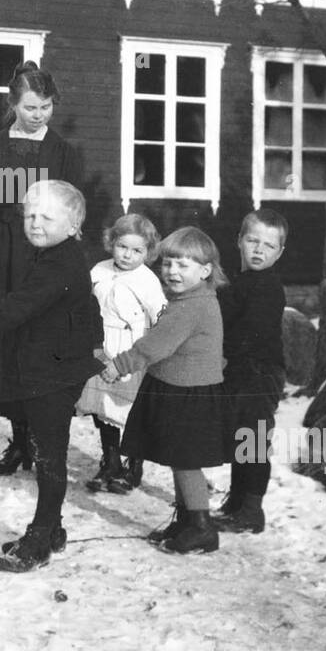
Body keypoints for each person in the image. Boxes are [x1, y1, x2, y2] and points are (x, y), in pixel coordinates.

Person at [0, 180, 103, 573]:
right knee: (44, 450)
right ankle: (52, 529)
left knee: (49, 455)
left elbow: (24, 303)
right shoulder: (52, 254)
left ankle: (40, 537)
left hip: (55, 372)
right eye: (30, 214)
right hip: (49, 366)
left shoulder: (61, 263)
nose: (35, 223)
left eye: (46, 216)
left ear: (72, 225)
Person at [0, 61, 84, 477]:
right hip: (0, 250)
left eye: (46, 107)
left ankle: (38, 439)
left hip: (42, 251)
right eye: (30, 107)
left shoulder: (61, 150)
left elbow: (73, 206)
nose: (39, 115)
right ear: (13, 104)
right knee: (3, 339)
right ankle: (18, 439)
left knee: (37, 339)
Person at [103, 226, 229, 555]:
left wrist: (120, 365)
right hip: (175, 386)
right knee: (178, 457)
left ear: (205, 271)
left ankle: (202, 527)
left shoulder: (191, 306)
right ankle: (187, 520)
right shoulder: (188, 299)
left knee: (185, 460)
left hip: (189, 393)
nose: (172, 271)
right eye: (168, 264)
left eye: (182, 265)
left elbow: (156, 344)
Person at [76, 213, 165, 494]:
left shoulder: (147, 281)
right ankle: (110, 461)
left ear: (148, 252)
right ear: (111, 242)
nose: (127, 255)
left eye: (137, 250)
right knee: (103, 409)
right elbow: (85, 304)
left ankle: (133, 467)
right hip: (101, 349)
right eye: (122, 246)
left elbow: (161, 316)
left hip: (131, 351)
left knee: (129, 410)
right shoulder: (99, 271)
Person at [217, 209, 288, 535]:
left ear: (280, 252)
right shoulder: (242, 281)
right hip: (241, 373)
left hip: (260, 374)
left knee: (253, 441)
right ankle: (236, 501)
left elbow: (248, 331)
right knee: (239, 437)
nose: (259, 250)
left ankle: (251, 510)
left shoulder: (267, 287)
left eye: (269, 246)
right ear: (239, 241)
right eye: (253, 241)